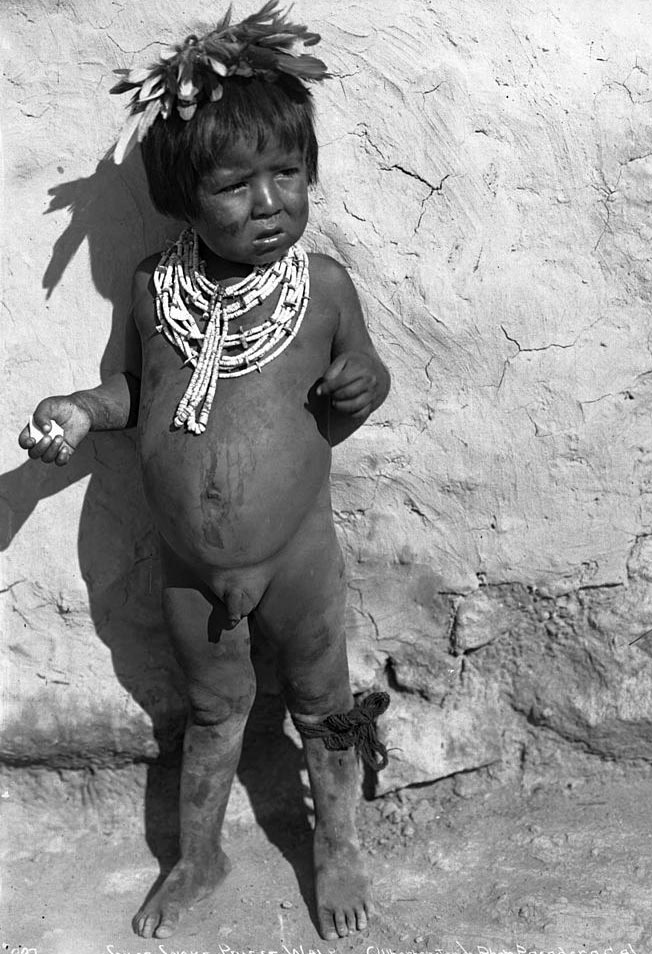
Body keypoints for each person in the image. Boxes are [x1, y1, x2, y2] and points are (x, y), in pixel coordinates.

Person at [18, 2, 391, 941]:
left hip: (297, 559)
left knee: (324, 703)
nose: (269, 203)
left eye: (288, 175)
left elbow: (368, 381)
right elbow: (135, 392)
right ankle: (199, 855)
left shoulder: (326, 290)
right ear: (185, 198)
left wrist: (362, 384)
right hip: (192, 572)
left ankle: (338, 843)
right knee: (215, 711)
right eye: (235, 185)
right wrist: (76, 410)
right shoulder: (153, 289)